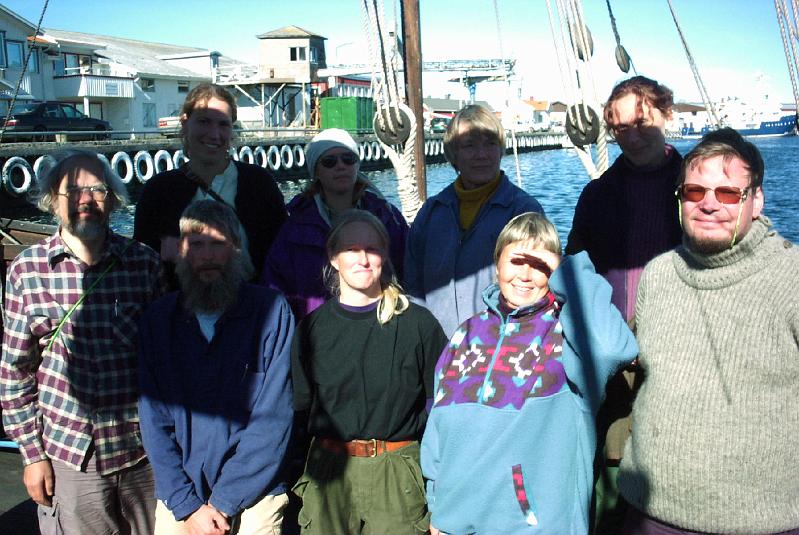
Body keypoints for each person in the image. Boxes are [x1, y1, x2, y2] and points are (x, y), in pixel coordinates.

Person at [618, 128, 799, 535]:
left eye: (729, 193)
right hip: (650, 512)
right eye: (695, 192)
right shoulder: (659, 274)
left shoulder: (792, 277)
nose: (710, 205)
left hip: (765, 523)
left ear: (756, 201)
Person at [421, 212, 638, 535]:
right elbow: (439, 423)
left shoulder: (568, 333)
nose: (525, 274)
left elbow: (614, 348)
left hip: (536, 525)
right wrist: (438, 505)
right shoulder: (466, 334)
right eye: (516, 260)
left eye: (540, 265)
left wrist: (571, 271)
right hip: (456, 523)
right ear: (497, 265)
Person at [1, 149, 163, 535]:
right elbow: (14, 374)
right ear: (51, 201)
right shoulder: (27, 270)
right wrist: (32, 455)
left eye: (97, 190)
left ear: (113, 198)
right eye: (72, 191)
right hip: (72, 457)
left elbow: (164, 360)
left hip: (143, 453)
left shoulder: (144, 263)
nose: (86, 200)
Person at [564, 76, 683, 533]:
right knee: (613, 462)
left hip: (675, 351)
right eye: (619, 126)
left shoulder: (693, 188)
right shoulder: (598, 194)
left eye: (642, 121)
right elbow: (576, 269)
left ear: (666, 116)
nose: (631, 134)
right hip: (613, 352)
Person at [138, 200, 294, 535]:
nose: (207, 256)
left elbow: (274, 420)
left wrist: (223, 502)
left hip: (257, 489)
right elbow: (153, 422)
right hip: (182, 492)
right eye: (197, 244)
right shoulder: (158, 320)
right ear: (181, 251)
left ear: (236, 248)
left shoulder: (271, 312)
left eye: (218, 244)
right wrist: (187, 506)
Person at [291, 209, 448, 535]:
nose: (363, 258)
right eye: (351, 249)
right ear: (334, 258)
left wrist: (443, 494)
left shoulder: (418, 324)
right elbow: (299, 412)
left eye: (372, 249)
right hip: (328, 472)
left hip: (397, 473)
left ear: (385, 254)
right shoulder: (312, 329)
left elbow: (444, 414)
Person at [404, 104, 545, 336]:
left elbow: (536, 286)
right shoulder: (432, 212)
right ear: (453, 155)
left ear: (501, 150)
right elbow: (413, 281)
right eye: (470, 145)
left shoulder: (523, 211)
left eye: (490, 143)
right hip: (437, 344)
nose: (482, 154)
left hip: (498, 346)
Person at [134, 82, 287, 283]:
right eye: (204, 121)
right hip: (182, 308)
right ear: (185, 123)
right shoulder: (159, 190)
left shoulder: (259, 183)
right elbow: (142, 261)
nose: (214, 134)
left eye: (223, 124)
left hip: (252, 306)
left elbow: (281, 251)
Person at [261, 128, 407, 320]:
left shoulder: (386, 216)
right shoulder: (295, 225)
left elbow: (408, 269)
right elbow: (275, 285)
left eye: (348, 159)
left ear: (357, 165)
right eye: (329, 162)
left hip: (379, 322)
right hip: (316, 331)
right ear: (317, 171)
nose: (340, 166)